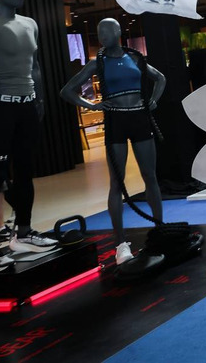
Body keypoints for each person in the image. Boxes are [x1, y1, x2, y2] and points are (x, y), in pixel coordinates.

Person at [60, 18, 166, 265]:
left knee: (150, 176)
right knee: (116, 183)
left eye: (106, 31)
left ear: (118, 32)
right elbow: (66, 91)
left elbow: (160, 78)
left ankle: (160, 229)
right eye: (99, 32)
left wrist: (153, 100)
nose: (102, 35)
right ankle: (120, 244)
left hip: (139, 118)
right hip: (115, 121)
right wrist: (91, 105)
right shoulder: (97, 63)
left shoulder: (135, 58)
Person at [0, 0, 58, 258]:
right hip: (0, 106)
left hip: (27, 105)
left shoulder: (30, 23)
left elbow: (35, 67)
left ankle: (24, 231)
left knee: (25, 171)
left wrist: (39, 98)